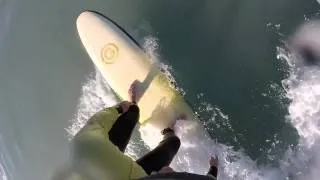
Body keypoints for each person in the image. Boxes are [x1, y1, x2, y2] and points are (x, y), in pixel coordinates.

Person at [52, 82, 219, 180]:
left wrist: (119, 108)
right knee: (174, 142)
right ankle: (168, 129)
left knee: (130, 113)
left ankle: (132, 104)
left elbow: (97, 122)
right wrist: (212, 171)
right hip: (135, 175)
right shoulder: (84, 145)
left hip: (105, 156)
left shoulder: (87, 146)